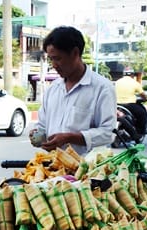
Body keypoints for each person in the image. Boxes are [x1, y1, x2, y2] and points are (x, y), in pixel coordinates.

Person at [29, 26, 116, 155]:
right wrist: (37, 134)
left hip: (86, 165)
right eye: (51, 59)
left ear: (75, 53)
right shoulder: (53, 89)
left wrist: (70, 138)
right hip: (54, 163)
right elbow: (42, 125)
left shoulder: (102, 88)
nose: (54, 65)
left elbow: (108, 133)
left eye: (58, 58)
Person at [115, 67, 147, 136]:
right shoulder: (134, 83)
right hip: (129, 105)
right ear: (132, 75)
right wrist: (146, 98)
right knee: (142, 114)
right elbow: (142, 94)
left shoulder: (117, 82)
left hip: (117, 104)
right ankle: (141, 131)